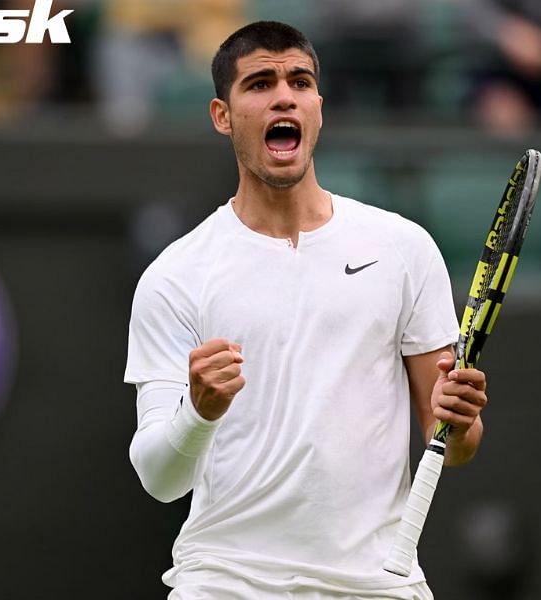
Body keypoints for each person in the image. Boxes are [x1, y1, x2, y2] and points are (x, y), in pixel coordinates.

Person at [124, 21, 488, 599]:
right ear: (223, 115)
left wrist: (461, 419)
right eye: (260, 83)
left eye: (300, 80)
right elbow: (158, 478)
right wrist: (197, 410)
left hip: (376, 584)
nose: (284, 95)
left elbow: (452, 442)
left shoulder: (404, 248)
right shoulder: (175, 275)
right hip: (226, 584)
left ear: (318, 107)